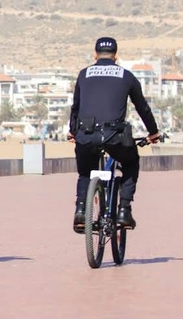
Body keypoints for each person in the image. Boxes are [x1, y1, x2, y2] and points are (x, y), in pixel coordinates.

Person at [67, 37, 160, 233]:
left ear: (95, 55)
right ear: (116, 56)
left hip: (87, 135)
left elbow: (75, 107)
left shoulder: (84, 74)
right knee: (131, 162)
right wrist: (153, 132)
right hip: (115, 137)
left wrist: (73, 132)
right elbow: (142, 108)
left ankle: (81, 211)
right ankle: (124, 210)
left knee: (85, 172)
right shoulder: (126, 76)